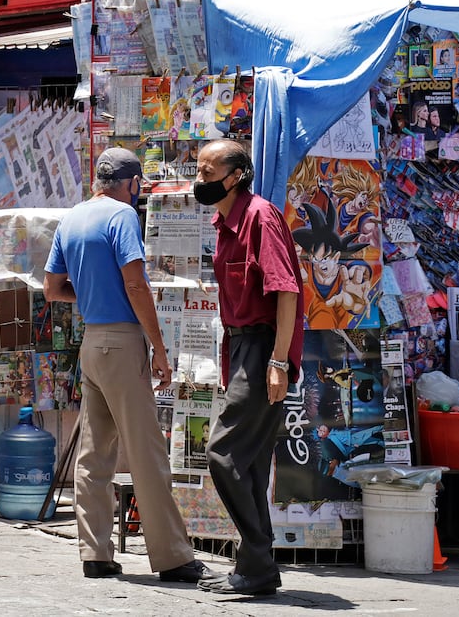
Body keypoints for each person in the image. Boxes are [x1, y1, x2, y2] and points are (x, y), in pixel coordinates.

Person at [43, 147, 213, 584]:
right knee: (146, 452)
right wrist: (158, 347)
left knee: (94, 454)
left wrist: (94, 294)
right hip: (122, 342)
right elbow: (136, 283)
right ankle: (174, 558)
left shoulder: (73, 217)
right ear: (132, 183)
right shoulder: (121, 218)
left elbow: (52, 289)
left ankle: (95, 554)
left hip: (92, 343)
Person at [193, 140, 304, 596]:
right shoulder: (225, 222)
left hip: (262, 350)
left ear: (235, 175)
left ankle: (257, 557)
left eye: (207, 172)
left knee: (222, 452)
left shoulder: (260, 216)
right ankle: (256, 568)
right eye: (198, 171)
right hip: (241, 349)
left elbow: (287, 291)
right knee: (252, 465)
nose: (200, 180)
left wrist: (278, 361)